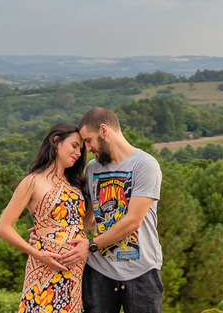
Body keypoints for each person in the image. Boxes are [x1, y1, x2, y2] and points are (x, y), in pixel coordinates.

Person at [58, 107, 163, 313]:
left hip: (142, 272)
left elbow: (133, 220)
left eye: (88, 141)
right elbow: (87, 220)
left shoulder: (145, 165)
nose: (87, 149)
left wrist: (91, 245)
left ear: (104, 131)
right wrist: (47, 231)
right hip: (100, 272)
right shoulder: (92, 168)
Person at [0, 123, 89, 313]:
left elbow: (85, 223)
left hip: (75, 274)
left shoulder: (76, 184)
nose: (78, 153)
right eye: (74, 146)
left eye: (81, 149)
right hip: (44, 269)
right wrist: (38, 254)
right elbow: (3, 227)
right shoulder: (32, 181)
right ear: (56, 141)